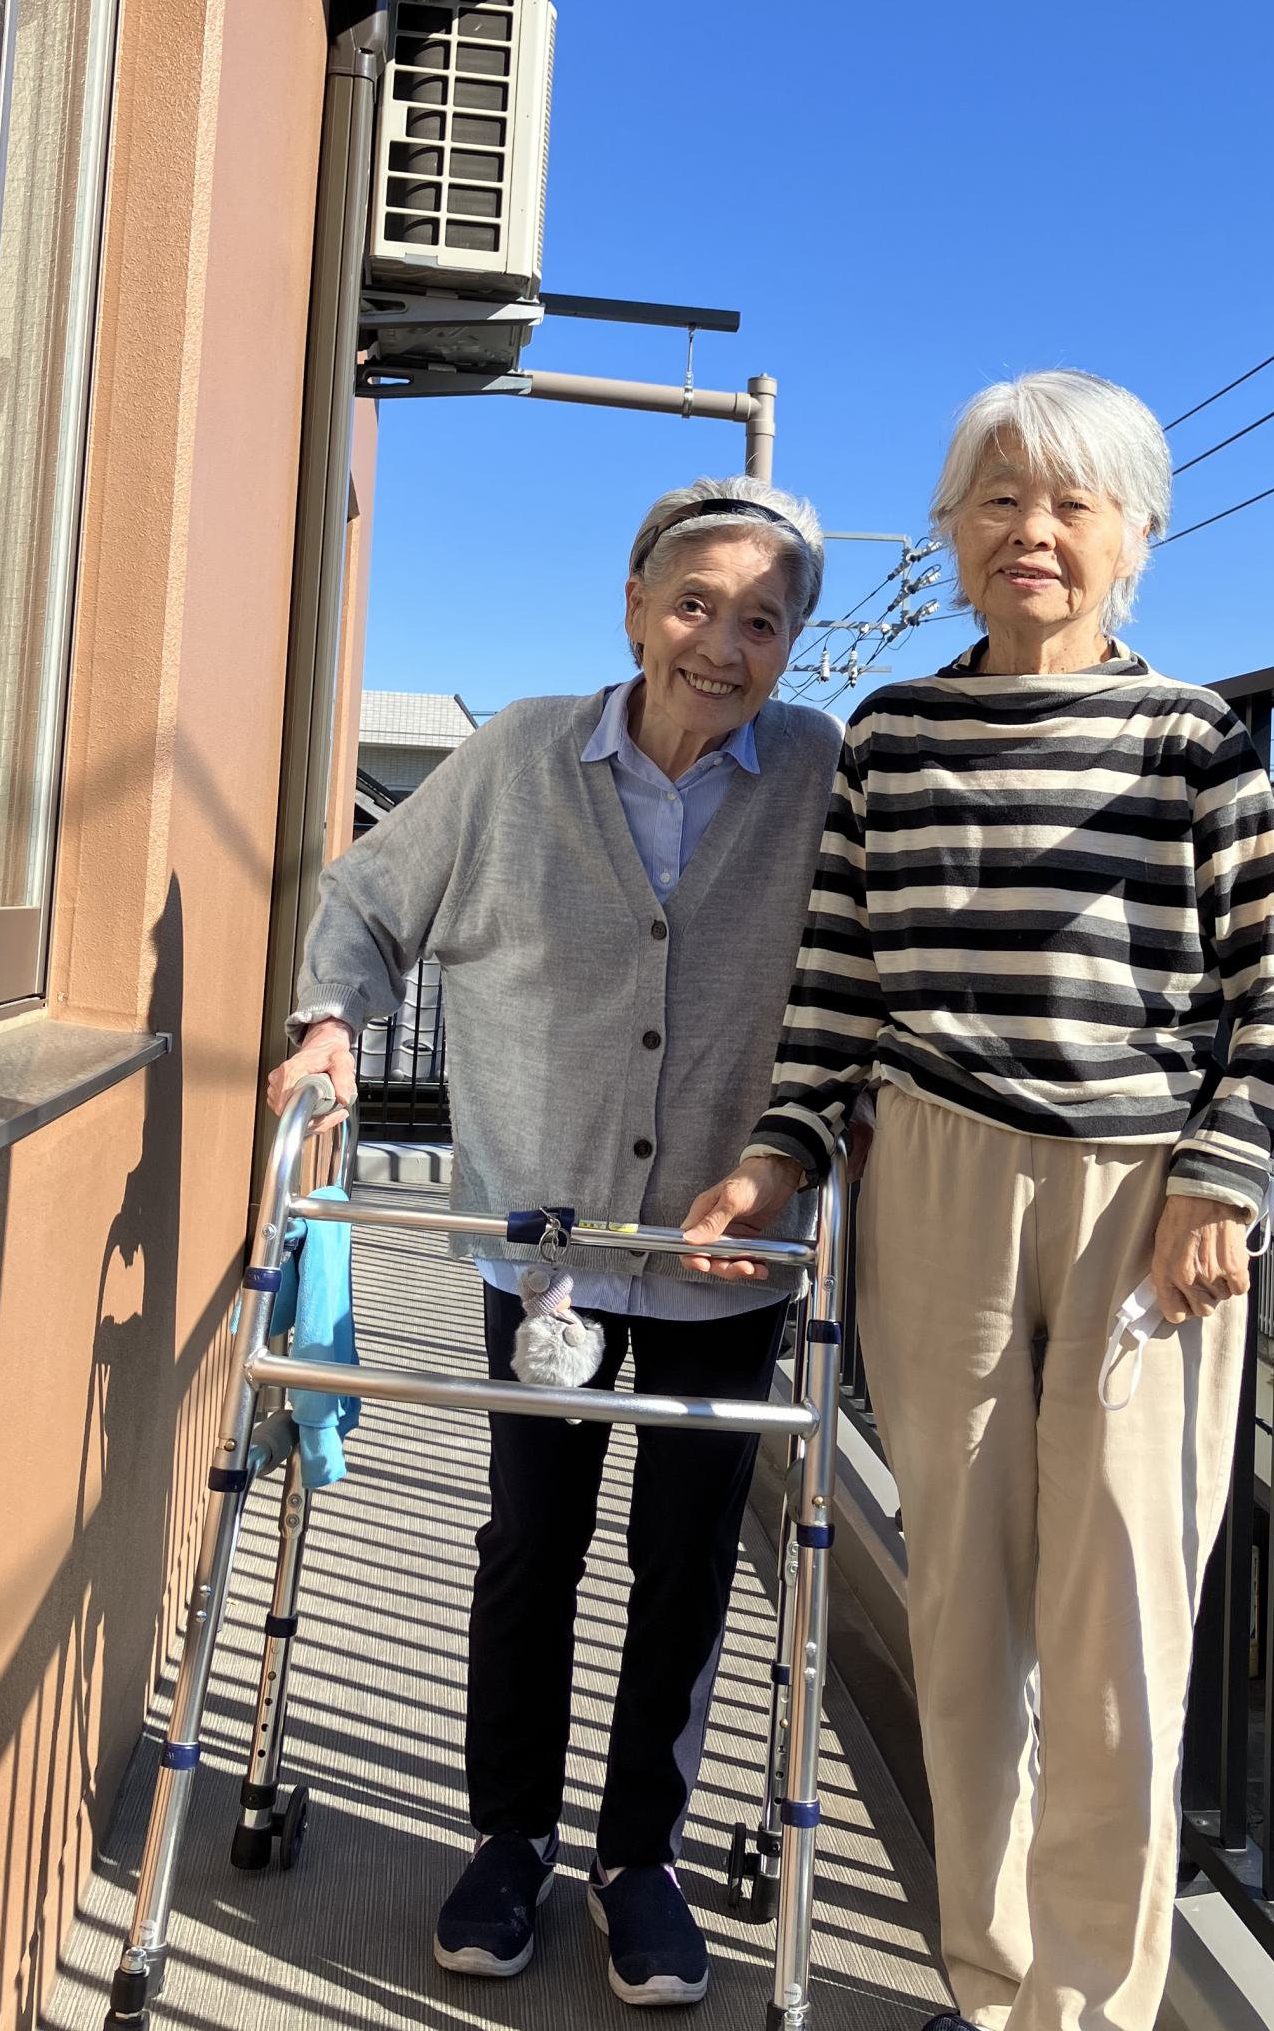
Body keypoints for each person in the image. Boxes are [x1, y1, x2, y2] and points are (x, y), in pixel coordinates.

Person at [683, 373, 1274, 2031]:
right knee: (961, 1601)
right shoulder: (892, 738)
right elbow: (840, 984)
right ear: (954, 531)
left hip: (1143, 1196)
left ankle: (1089, 2004)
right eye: (999, 500)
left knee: (1120, 1615)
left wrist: (1220, 1173)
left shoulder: (1190, 737)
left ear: (1133, 539)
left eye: (1070, 505)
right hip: (936, 1175)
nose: (1032, 532)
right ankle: (986, 1980)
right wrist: (780, 1153)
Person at [268, 478, 842, 2009]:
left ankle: (640, 1859)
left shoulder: (819, 773)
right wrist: (333, 1027)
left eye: (763, 619)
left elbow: (869, 969)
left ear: (793, 644)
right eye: (695, 604)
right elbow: (371, 901)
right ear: (636, 608)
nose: (721, 643)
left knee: (686, 1560)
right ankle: (510, 1835)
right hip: (547, 1244)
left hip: (732, 1248)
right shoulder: (523, 753)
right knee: (533, 1541)